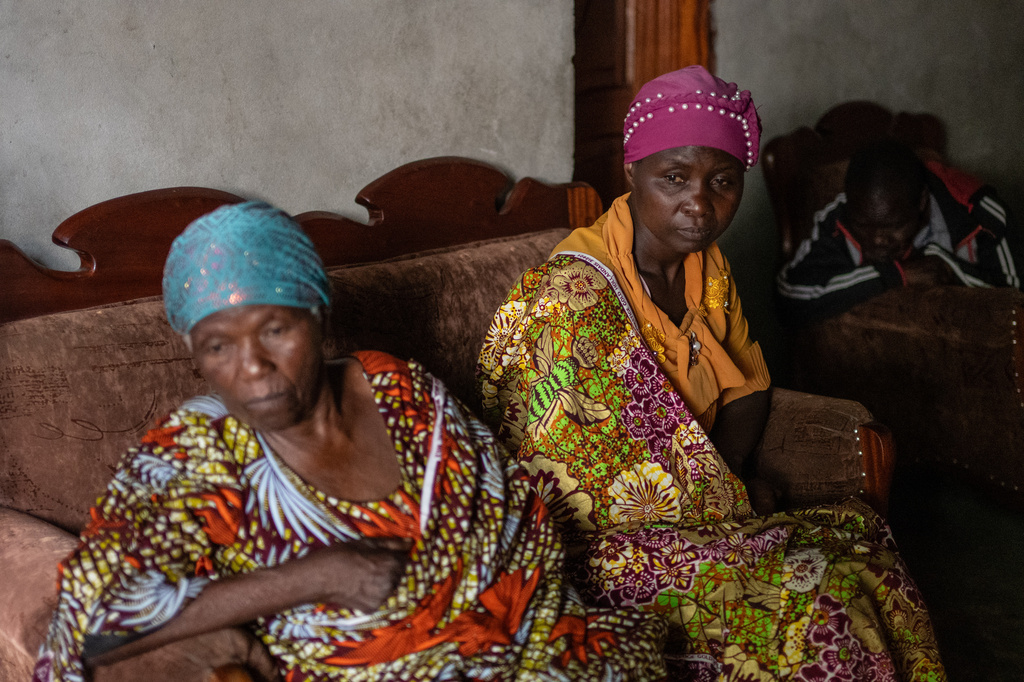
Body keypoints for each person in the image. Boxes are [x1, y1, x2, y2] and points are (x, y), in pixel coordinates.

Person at [33, 202, 669, 682]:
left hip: (529, 643)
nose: (252, 368)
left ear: (319, 315)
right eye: (218, 346)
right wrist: (315, 575)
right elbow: (83, 625)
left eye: (275, 329)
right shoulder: (195, 453)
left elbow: (515, 522)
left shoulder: (396, 389)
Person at [477, 66, 946, 681]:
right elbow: (577, 486)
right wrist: (722, 505)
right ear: (631, 172)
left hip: (701, 515)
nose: (699, 203)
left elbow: (748, 386)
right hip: (598, 549)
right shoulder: (569, 300)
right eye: (674, 178)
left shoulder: (708, 267)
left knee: (868, 558)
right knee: (820, 600)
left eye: (722, 182)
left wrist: (730, 477)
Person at [776, 138, 1022, 326]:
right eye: (863, 226)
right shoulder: (841, 215)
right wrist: (895, 275)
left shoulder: (981, 214)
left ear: (922, 202)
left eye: (894, 226)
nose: (877, 240)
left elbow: (1017, 305)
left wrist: (947, 267)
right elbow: (789, 298)